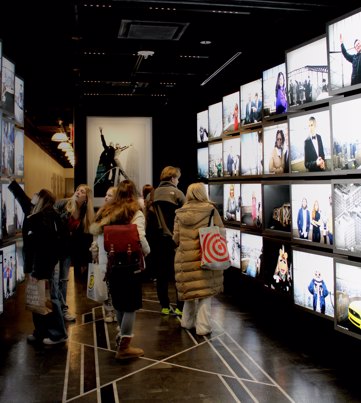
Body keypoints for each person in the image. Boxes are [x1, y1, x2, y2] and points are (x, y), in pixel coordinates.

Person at [89, 179, 150, 360]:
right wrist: (148, 251)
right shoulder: (135, 212)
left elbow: (97, 236)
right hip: (130, 263)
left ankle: (121, 337)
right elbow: (140, 237)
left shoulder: (107, 211)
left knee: (118, 302)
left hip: (110, 263)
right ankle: (124, 346)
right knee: (131, 305)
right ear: (134, 194)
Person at [173, 182, 224, 336]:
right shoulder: (210, 210)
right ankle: (203, 327)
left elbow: (176, 238)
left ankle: (187, 322)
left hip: (184, 258)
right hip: (205, 257)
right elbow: (220, 232)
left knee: (190, 292)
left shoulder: (180, 213)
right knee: (204, 294)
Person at [23, 189, 68, 345]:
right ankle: (44, 332)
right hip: (50, 264)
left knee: (45, 300)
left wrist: (31, 270)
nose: (32, 198)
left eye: (36, 196)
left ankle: (56, 333)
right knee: (45, 299)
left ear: (41, 199)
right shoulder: (53, 216)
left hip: (42, 265)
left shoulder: (38, 219)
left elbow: (36, 247)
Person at [145, 166, 185, 315]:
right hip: (175, 240)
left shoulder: (152, 195)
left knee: (161, 274)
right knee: (178, 274)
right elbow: (185, 217)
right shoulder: (178, 194)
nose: (178, 181)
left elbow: (147, 219)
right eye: (178, 178)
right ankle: (180, 307)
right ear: (173, 178)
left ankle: (164, 306)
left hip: (156, 240)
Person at [55, 184, 95, 322]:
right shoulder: (63, 204)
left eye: (82, 191)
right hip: (55, 249)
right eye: (77, 190)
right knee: (55, 280)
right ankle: (57, 309)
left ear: (86, 197)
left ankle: (62, 309)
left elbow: (81, 237)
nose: (78, 192)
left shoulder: (85, 212)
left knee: (64, 280)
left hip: (67, 250)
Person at [90, 186, 117, 323]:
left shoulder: (120, 214)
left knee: (115, 285)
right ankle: (109, 311)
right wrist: (94, 249)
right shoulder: (101, 212)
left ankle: (116, 311)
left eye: (110, 195)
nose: (106, 197)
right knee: (104, 284)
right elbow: (96, 234)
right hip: (102, 252)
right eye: (106, 195)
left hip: (115, 253)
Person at [94, 127, 116, 196]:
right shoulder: (108, 149)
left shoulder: (112, 150)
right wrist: (101, 133)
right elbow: (103, 143)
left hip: (105, 166)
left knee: (103, 179)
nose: (110, 144)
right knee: (100, 178)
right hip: (103, 165)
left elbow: (112, 159)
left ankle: (101, 190)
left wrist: (112, 166)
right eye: (110, 143)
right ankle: (99, 189)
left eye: (111, 143)